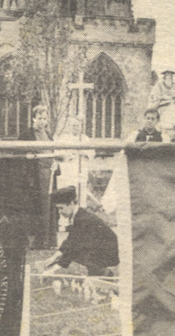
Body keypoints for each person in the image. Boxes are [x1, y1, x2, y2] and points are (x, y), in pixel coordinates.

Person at [43, 186, 119, 277]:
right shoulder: (78, 214)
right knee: (79, 248)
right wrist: (54, 257)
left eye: (61, 208)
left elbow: (74, 247)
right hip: (103, 248)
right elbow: (71, 239)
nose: (59, 212)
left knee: (78, 250)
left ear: (71, 203)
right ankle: (97, 272)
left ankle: (102, 273)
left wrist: (54, 269)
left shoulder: (82, 218)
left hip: (110, 252)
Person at [19, 103, 57, 248]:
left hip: (49, 174)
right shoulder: (27, 135)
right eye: (39, 118)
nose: (42, 121)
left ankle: (48, 241)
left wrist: (55, 163)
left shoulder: (48, 135)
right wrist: (28, 157)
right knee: (36, 207)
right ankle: (35, 241)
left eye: (44, 118)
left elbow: (52, 152)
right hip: (34, 176)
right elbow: (21, 154)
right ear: (33, 119)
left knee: (48, 206)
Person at [148, 68, 175, 142]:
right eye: (167, 75)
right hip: (162, 107)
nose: (169, 76)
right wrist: (165, 98)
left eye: (171, 75)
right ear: (164, 76)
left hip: (174, 106)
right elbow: (155, 96)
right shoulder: (159, 85)